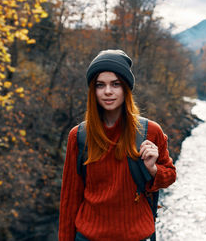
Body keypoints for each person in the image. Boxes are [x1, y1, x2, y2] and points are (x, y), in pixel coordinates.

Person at [59, 50, 176, 241]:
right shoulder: (79, 136)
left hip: (136, 236)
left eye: (115, 84)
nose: (107, 91)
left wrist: (153, 169)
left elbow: (170, 175)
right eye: (100, 85)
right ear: (93, 91)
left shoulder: (151, 131)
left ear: (126, 89)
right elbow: (69, 200)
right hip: (89, 237)